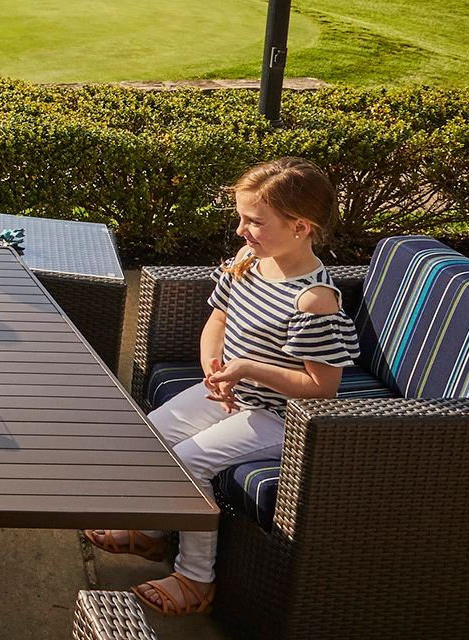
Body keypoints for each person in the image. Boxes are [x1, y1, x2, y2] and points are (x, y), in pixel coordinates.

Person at [83, 157, 358, 617]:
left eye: (254, 221)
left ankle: (195, 578)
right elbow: (218, 320)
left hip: (283, 417)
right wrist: (214, 366)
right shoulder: (250, 261)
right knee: (150, 437)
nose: (240, 230)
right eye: (241, 217)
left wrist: (247, 369)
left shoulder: (314, 300)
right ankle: (151, 534)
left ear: (300, 227)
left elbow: (321, 388)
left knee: (189, 461)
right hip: (233, 393)